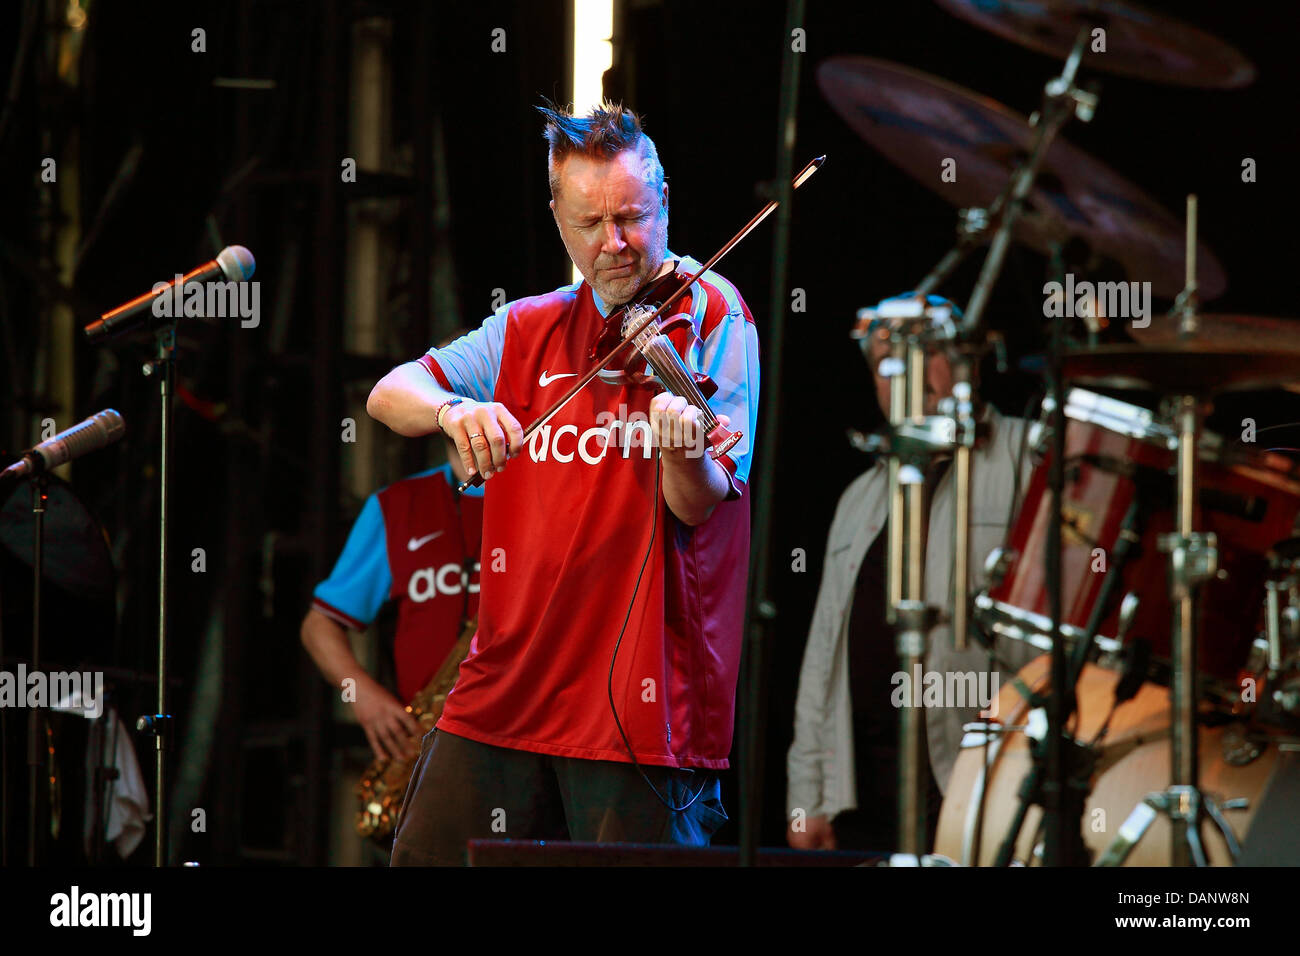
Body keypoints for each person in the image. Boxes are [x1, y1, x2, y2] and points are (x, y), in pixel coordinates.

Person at [367, 101, 759, 865]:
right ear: (556, 217)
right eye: (589, 223)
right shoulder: (526, 328)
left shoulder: (713, 314)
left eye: (632, 218)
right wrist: (455, 412)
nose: (613, 244)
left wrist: (681, 449)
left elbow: (699, 499)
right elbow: (389, 393)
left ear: (665, 203)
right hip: (504, 688)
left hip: (639, 706)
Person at [786, 295, 1037, 853]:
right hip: (867, 798)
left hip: (985, 783)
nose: (905, 373)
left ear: (967, 361)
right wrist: (808, 796)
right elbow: (822, 657)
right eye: (885, 363)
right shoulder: (860, 494)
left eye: (926, 352)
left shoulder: (1031, 456)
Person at [300, 439, 483, 764]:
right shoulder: (395, 504)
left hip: (525, 739)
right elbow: (319, 625)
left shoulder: (544, 496)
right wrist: (363, 696)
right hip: (427, 742)